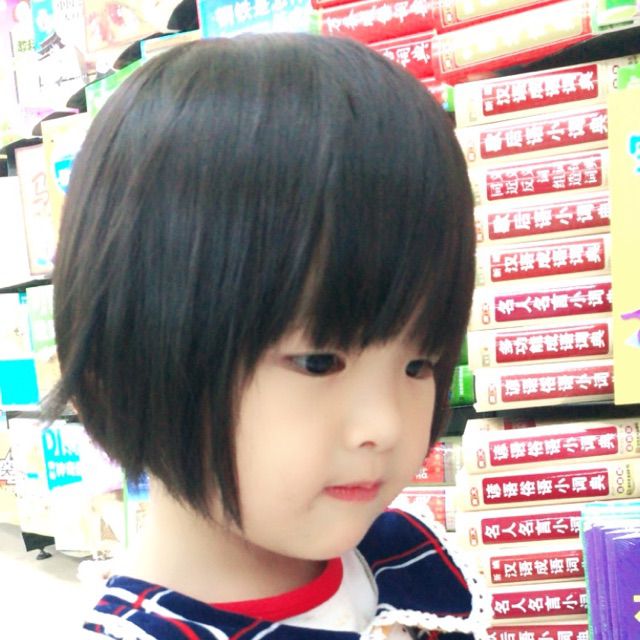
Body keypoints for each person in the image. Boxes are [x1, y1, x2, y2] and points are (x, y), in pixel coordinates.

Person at [48, 33, 489, 639]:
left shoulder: (400, 560)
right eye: (318, 361)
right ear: (127, 361)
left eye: (421, 363)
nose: (385, 425)